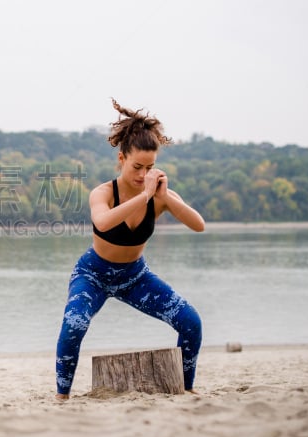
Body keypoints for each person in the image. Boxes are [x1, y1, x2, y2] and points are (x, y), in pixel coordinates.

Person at [55, 98, 205, 400]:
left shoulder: (160, 195)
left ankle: (186, 388)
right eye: (137, 166)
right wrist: (144, 196)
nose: (143, 174)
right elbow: (104, 222)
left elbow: (198, 224)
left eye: (150, 167)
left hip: (136, 277)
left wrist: (164, 196)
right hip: (93, 274)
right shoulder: (104, 193)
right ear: (121, 159)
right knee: (75, 322)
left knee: (191, 322)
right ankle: (62, 396)